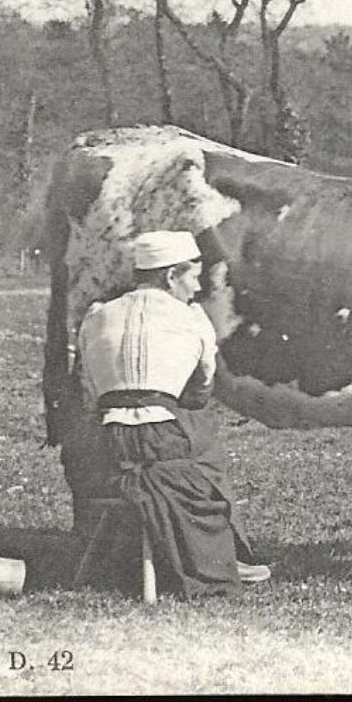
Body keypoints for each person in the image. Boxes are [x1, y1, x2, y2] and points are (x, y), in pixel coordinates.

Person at [77, 229, 270, 597]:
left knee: (173, 444)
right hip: (157, 440)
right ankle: (222, 557)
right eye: (193, 276)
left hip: (102, 447)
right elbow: (200, 390)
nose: (196, 288)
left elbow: (89, 386)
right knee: (202, 444)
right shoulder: (191, 319)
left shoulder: (97, 316)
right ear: (170, 276)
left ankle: (167, 549)